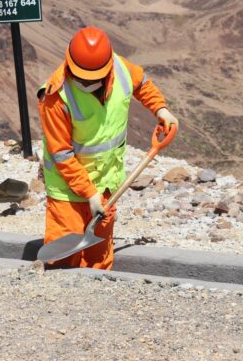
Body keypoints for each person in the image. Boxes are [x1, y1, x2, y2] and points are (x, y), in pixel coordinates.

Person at [37, 26, 179, 269]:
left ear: (106, 69)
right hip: (67, 190)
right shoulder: (55, 97)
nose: (84, 82)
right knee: (62, 259)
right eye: (80, 77)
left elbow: (142, 84)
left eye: (91, 79)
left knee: (99, 255)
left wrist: (161, 109)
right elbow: (62, 154)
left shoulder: (121, 68)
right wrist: (88, 193)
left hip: (107, 183)